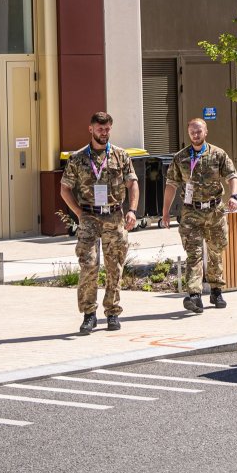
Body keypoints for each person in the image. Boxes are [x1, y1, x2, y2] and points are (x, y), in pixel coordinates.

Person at [58, 112, 138, 334]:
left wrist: (132, 210)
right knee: (88, 266)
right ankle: (89, 315)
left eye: (107, 129)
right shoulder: (78, 158)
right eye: (99, 129)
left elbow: (132, 184)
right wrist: (77, 212)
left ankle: (112, 313)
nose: (104, 133)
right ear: (90, 129)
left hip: (114, 216)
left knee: (115, 267)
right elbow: (64, 188)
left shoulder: (121, 156)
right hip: (89, 218)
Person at [161, 117, 237, 315]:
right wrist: (165, 211)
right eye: (192, 132)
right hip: (191, 212)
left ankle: (216, 290)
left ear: (206, 132)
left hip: (214, 211)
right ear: (189, 134)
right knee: (193, 254)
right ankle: (194, 295)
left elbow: (231, 176)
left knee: (215, 252)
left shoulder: (218, 154)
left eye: (199, 131)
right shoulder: (180, 158)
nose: (196, 135)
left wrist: (234, 196)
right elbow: (171, 184)